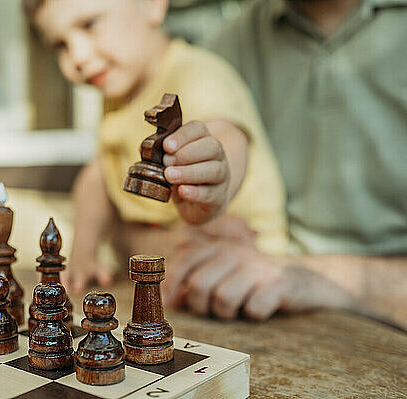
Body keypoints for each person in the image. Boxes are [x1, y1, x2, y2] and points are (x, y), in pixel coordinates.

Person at [163, 0, 407, 329]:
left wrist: (312, 277)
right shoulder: (231, 44)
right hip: (266, 306)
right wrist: (197, 238)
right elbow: (139, 216)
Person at [22, 0, 289, 293]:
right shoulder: (118, 94)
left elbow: (227, 138)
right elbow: (99, 176)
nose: (78, 56)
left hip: (252, 272)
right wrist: (84, 253)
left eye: (89, 24)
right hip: (175, 281)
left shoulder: (196, 73)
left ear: (151, 4)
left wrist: (217, 180)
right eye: (60, 45)